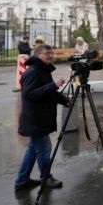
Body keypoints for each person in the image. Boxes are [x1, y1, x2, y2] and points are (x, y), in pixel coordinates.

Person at [14, 44, 69, 191]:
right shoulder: (33, 71)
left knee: (33, 150)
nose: (50, 55)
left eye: (51, 53)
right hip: (35, 120)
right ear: (38, 54)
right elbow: (29, 94)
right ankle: (45, 178)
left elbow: (49, 92)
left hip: (39, 119)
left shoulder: (43, 70)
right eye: (47, 53)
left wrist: (65, 101)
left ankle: (22, 181)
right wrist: (52, 85)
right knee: (44, 149)